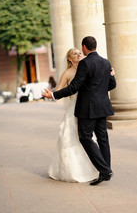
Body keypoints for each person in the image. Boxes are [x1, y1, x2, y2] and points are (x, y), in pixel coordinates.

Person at [43, 36, 116, 186]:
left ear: (84, 47)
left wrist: (54, 95)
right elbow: (111, 85)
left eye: (79, 51)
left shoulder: (85, 63)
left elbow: (74, 87)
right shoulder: (105, 62)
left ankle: (105, 170)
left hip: (87, 108)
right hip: (102, 106)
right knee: (103, 138)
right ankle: (106, 169)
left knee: (85, 137)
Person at [48, 48, 98, 182]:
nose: (79, 55)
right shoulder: (68, 73)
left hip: (87, 108)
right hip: (74, 109)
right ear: (69, 58)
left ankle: (93, 168)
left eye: (79, 52)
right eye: (75, 54)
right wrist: (51, 94)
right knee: (71, 137)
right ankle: (74, 171)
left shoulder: (86, 68)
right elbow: (58, 92)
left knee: (88, 138)